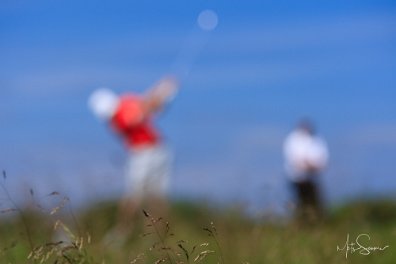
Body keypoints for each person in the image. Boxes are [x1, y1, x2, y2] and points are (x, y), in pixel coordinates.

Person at [88, 76, 179, 237]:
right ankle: (123, 231)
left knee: (157, 196)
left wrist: (162, 89)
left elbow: (150, 104)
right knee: (134, 194)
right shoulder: (117, 122)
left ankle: (159, 235)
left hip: (159, 149)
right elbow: (142, 110)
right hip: (140, 154)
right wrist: (162, 91)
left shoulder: (126, 102)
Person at [283, 119, 329, 224]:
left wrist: (312, 165)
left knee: (316, 203)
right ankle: (301, 223)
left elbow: (323, 160)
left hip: (313, 179)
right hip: (297, 178)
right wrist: (307, 164)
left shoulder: (317, 140)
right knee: (300, 203)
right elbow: (294, 159)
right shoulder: (293, 139)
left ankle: (316, 224)